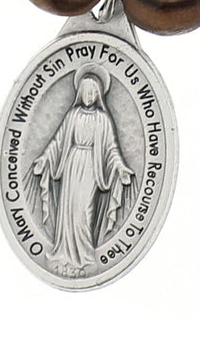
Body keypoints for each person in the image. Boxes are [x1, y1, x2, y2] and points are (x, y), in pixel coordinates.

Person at [30, 66, 135, 276]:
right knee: (67, 211)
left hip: (90, 168)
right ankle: (65, 255)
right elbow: (58, 141)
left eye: (92, 92)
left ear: (98, 94)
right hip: (71, 164)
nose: (88, 96)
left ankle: (85, 257)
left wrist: (121, 168)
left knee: (83, 213)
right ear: (80, 93)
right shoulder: (73, 115)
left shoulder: (103, 120)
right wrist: (44, 158)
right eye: (85, 92)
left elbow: (111, 149)